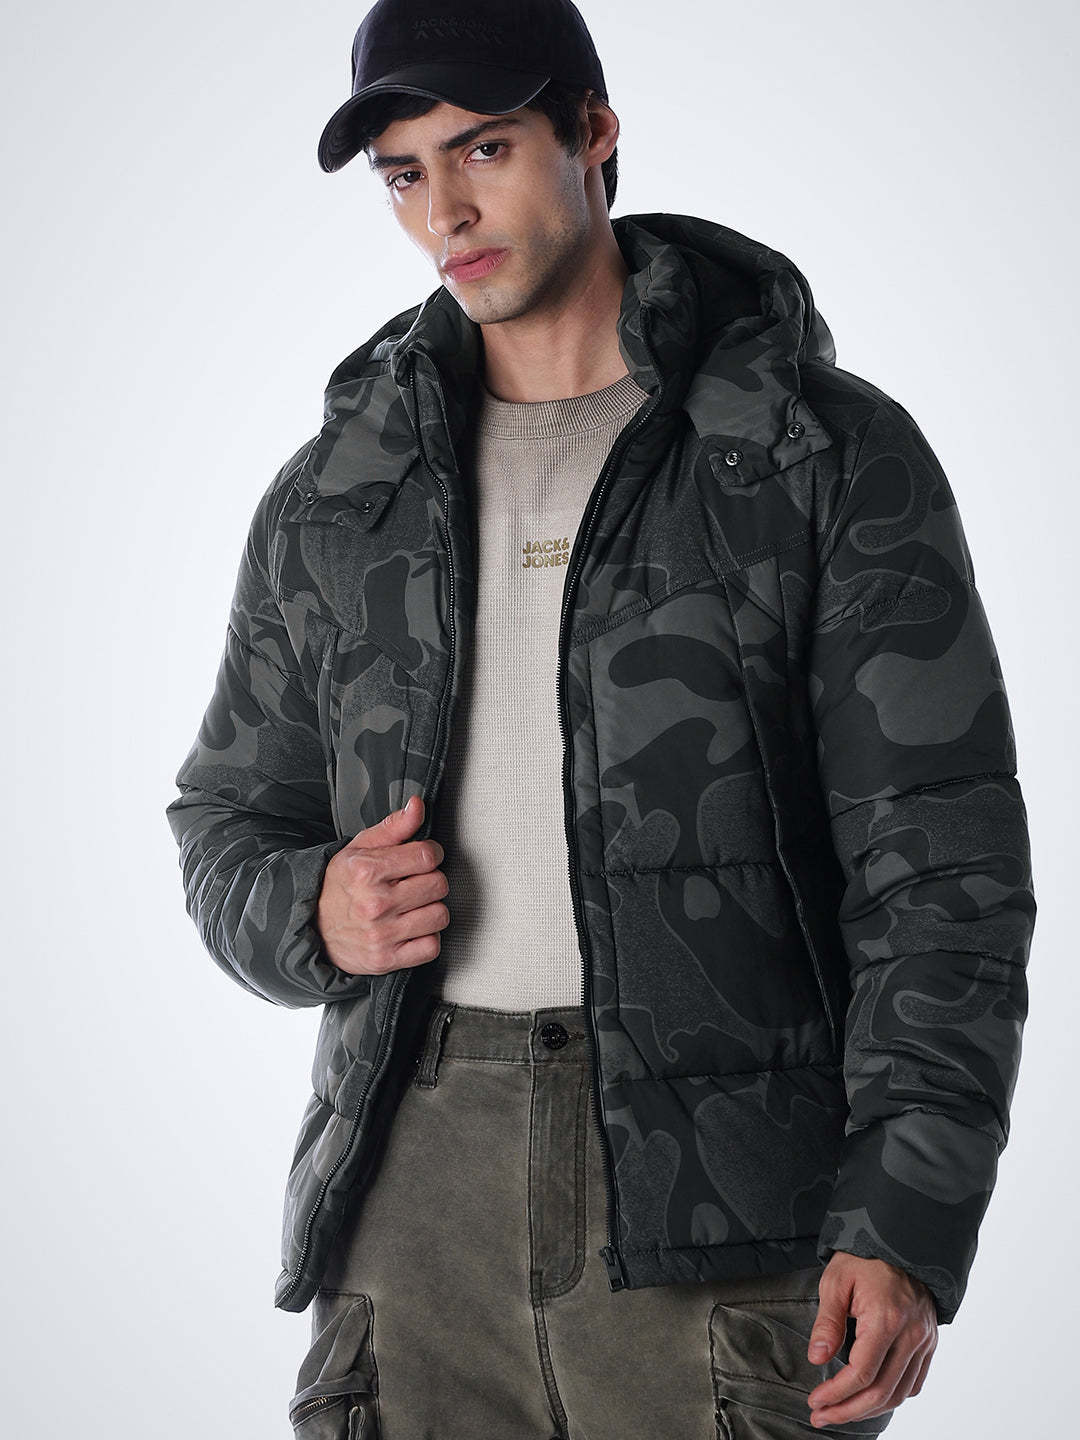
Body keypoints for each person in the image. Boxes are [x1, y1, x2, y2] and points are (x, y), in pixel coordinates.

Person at [164, 1, 1037, 1435]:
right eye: (402, 174)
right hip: (414, 1197)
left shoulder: (816, 457)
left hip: (733, 1206)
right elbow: (224, 818)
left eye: (483, 149)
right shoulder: (341, 495)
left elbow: (942, 871)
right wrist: (308, 908)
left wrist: (906, 1213)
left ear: (594, 132)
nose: (443, 213)